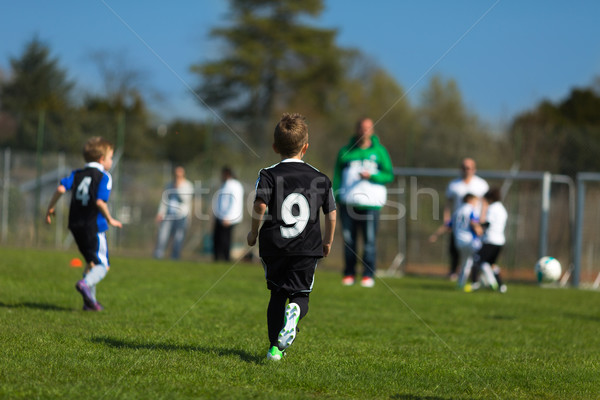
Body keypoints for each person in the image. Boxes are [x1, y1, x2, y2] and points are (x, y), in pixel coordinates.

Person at [247, 113, 336, 361]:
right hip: (307, 246)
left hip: (274, 245)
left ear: (275, 147)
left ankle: (275, 349)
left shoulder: (268, 174)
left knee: (277, 295)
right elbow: (331, 213)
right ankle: (295, 310)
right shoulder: (321, 178)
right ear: (305, 147)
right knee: (300, 294)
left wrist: (253, 232)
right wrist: (327, 241)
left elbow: (260, 206)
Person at [45, 136, 122, 311]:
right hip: (93, 227)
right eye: (110, 157)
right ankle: (85, 284)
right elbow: (100, 202)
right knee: (103, 265)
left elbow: (60, 189)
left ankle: (90, 303)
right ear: (102, 159)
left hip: (74, 225)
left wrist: (50, 208)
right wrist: (110, 219)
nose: (110, 161)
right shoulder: (104, 176)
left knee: (91, 263)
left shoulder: (77, 174)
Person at [332, 117, 394, 288]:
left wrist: (373, 176)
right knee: (349, 240)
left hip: (371, 204)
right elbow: (337, 176)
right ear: (357, 129)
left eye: (368, 128)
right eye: (362, 127)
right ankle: (349, 273)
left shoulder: (380, 151)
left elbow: (389, 175)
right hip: (348, 202)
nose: (364, 131)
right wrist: (334, 197)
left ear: (372, 130)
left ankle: (368, 275)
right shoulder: (345, 151)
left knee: (369, 241)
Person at [443, 158, 488, 280]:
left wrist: (482, 221)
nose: (466, 170)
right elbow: (448, 203)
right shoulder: (454, 185)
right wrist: (447, 220)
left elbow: (485, 204)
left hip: (474, 224)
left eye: (469, 167)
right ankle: (454, 272)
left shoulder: (481, 184)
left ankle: (476, 275)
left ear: (474, 169)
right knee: (455, 249)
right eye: (464, 167)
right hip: (459, 224)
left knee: (476, 251)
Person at [467, 187, 508, 293]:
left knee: (476, 259)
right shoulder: (502, 209)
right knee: (492, 264)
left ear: (490, 198)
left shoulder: (492, 208)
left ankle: (474, 284)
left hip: (490, 240)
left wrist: (476, 225)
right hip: (500, 241)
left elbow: (487, 224)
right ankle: (501, 286)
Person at [153, 166, 194, 260]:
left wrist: (178, 188)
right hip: (168, 215)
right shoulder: (169, 185)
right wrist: (160, 212)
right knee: (162, 235)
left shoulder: (188, 185)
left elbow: (185, 199)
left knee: (178, 238)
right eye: (176, 174)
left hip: (181, 216)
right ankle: (158, 254)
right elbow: (164, 200)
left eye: (179, 174)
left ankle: (175, 256)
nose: (177, 176)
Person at [451, 194, 484, 289]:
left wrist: (435, 235)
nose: (476, 203)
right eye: (475, 201)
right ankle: (491, 283)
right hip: (471, 241)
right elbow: (474, 223)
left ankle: (460, 284)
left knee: (466, 263)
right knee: (481, 260)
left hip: (459, 241)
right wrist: (481, 232)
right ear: (470, 200)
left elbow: (448, 225)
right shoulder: (471, 210)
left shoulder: (457, 211)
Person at [212, 166, 244, 261]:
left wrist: (228, 217)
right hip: (220, 216)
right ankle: (217, 258)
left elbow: (234, 202)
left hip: (227, 218)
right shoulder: (225, 184)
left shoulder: (234, 185)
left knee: (225, 240)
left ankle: (225, 259)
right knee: (217, 239)